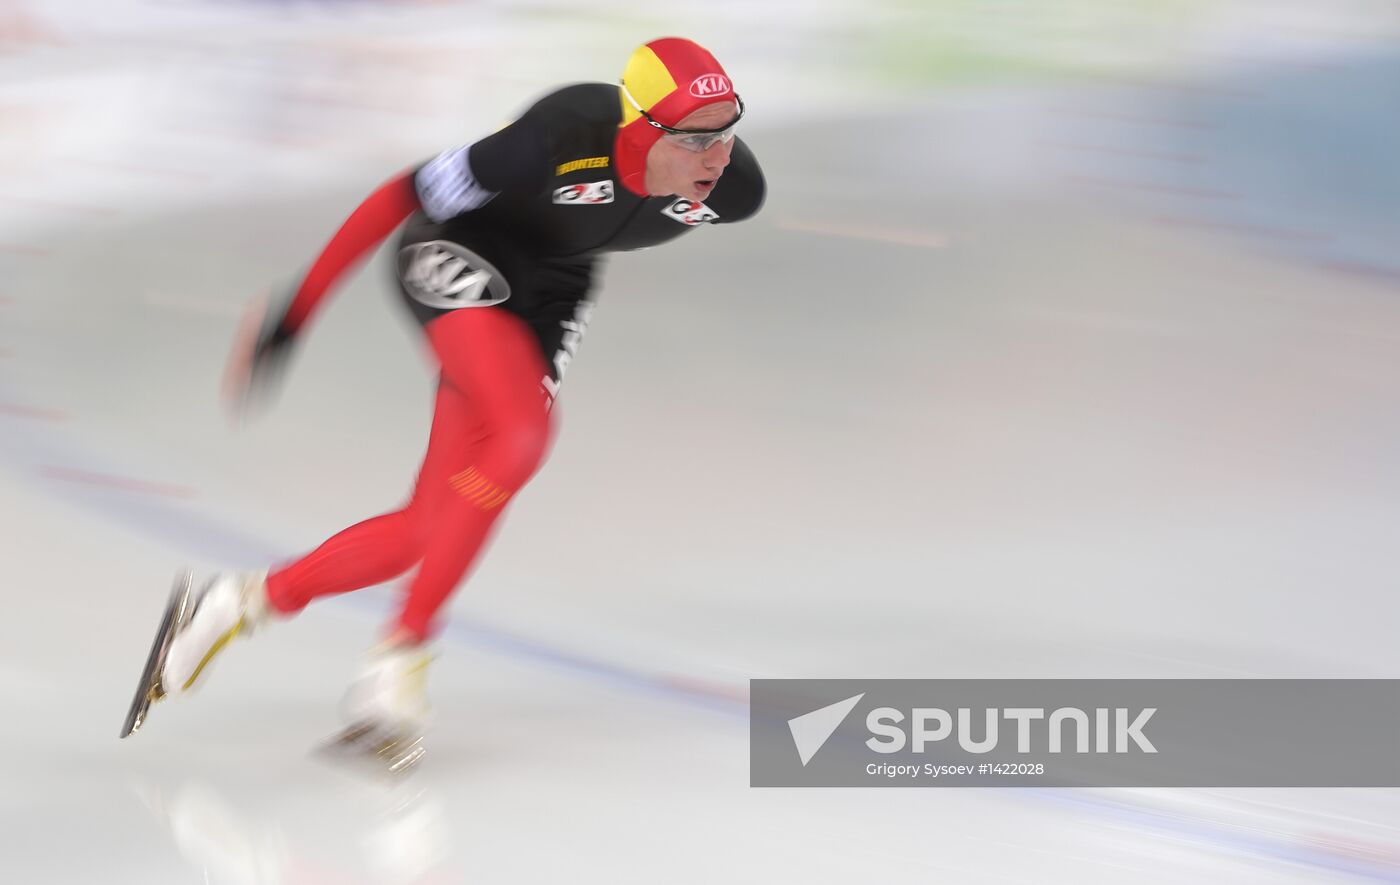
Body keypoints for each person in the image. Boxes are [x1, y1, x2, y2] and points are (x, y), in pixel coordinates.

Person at [147, 37, 765, 756]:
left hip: (549, 294)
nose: (716, 158)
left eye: (727, 133)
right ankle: (401, 657)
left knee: (427, 526)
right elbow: (396, 196)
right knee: (522, 435)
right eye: (695, 139)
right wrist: (294, 313)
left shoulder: (733, 192)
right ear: (639, 126)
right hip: (454, 249)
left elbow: (606, 224)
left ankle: (240, 602)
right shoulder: (555, 137)